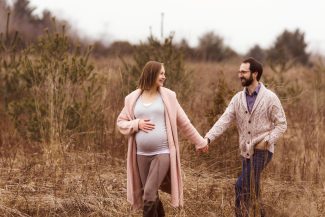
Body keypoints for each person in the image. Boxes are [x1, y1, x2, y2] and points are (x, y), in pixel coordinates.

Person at [117, 60, 208, 217]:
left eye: (164, 73)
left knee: (149, 196)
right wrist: (136, 123)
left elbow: (184, 123)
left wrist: (200, 142)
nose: (164, 77)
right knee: (151, 194)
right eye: (161, 73)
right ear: (151, 73)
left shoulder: (169, 97)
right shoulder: (132, 98)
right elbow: (121, 122)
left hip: (162, 152)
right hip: (140, 155)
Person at [204, 57, 287, 217]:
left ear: (255, 74)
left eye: (243, 72)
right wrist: (208, 138)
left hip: (262, 152)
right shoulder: (237, 99)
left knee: (240, 185)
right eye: (239, 71)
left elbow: (282, 124)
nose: (239, 75)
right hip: (245, 153)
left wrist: (268, 141)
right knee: (253, 192)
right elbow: (224, 120)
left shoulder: (270, 97)